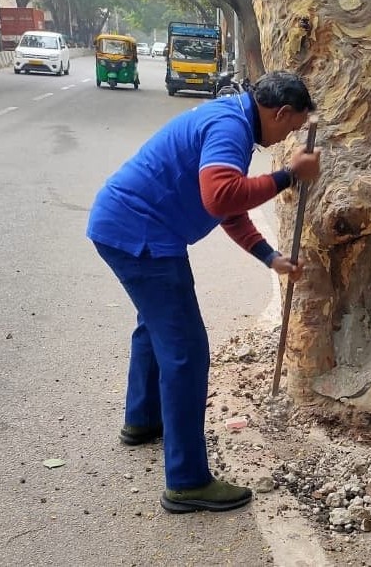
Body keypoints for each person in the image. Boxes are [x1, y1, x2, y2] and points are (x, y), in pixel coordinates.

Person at [86, 71, 320, 514]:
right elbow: (221, 196)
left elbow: (228, 210)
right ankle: (187, 480)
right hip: (142, 237)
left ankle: (143, 419)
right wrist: (290, 175)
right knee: (187, 352)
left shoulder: (232, 121)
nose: (286, 138)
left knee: (154, 328)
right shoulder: (230, 128)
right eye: (289, 129)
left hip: (123, 225)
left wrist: (270, 257)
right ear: (280, 112)